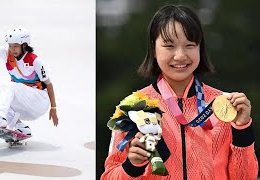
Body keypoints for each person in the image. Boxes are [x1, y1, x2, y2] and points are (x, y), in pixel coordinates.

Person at [101, 4, 258, 180]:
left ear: (200, 48)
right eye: (169, 46)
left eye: (190, 45)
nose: (180, 55)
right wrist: (132, 166)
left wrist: (242, 129)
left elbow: (246, 177)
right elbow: (109, 176)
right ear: (154, 49)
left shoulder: (224, 106)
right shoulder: (133, 107)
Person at [0, 21, 59, 135]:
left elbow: (48, 84)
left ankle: (0, 118)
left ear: (24, 45)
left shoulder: (35, 61)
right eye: (10, 46)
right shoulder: (7, 53)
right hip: (25, 105)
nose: (12, 49)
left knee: (8, 86)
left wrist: (53, 108)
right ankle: (20, 126)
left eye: (15, 46)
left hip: (39, 101)